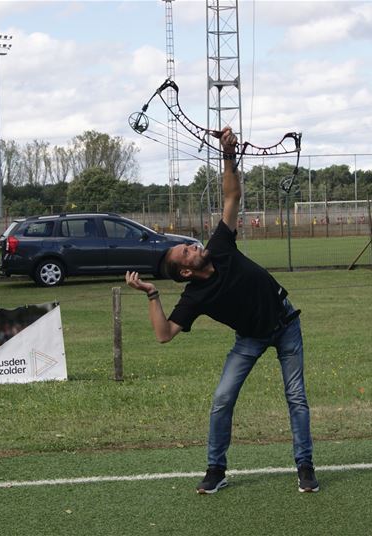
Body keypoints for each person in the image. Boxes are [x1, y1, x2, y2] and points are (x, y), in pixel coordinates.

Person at [125, 127, 318, 495]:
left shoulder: (220, 245)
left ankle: (305, 467)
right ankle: (216, 470)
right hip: (250, 338)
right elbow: (164, 334)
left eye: (187, 245)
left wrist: (227, 154)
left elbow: (232, 195)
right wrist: (151, 295)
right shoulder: (194, 297)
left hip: (286, 324)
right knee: (222, 398)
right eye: (185, 252)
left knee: (296, 397)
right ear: (185, 271)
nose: (190, 246)